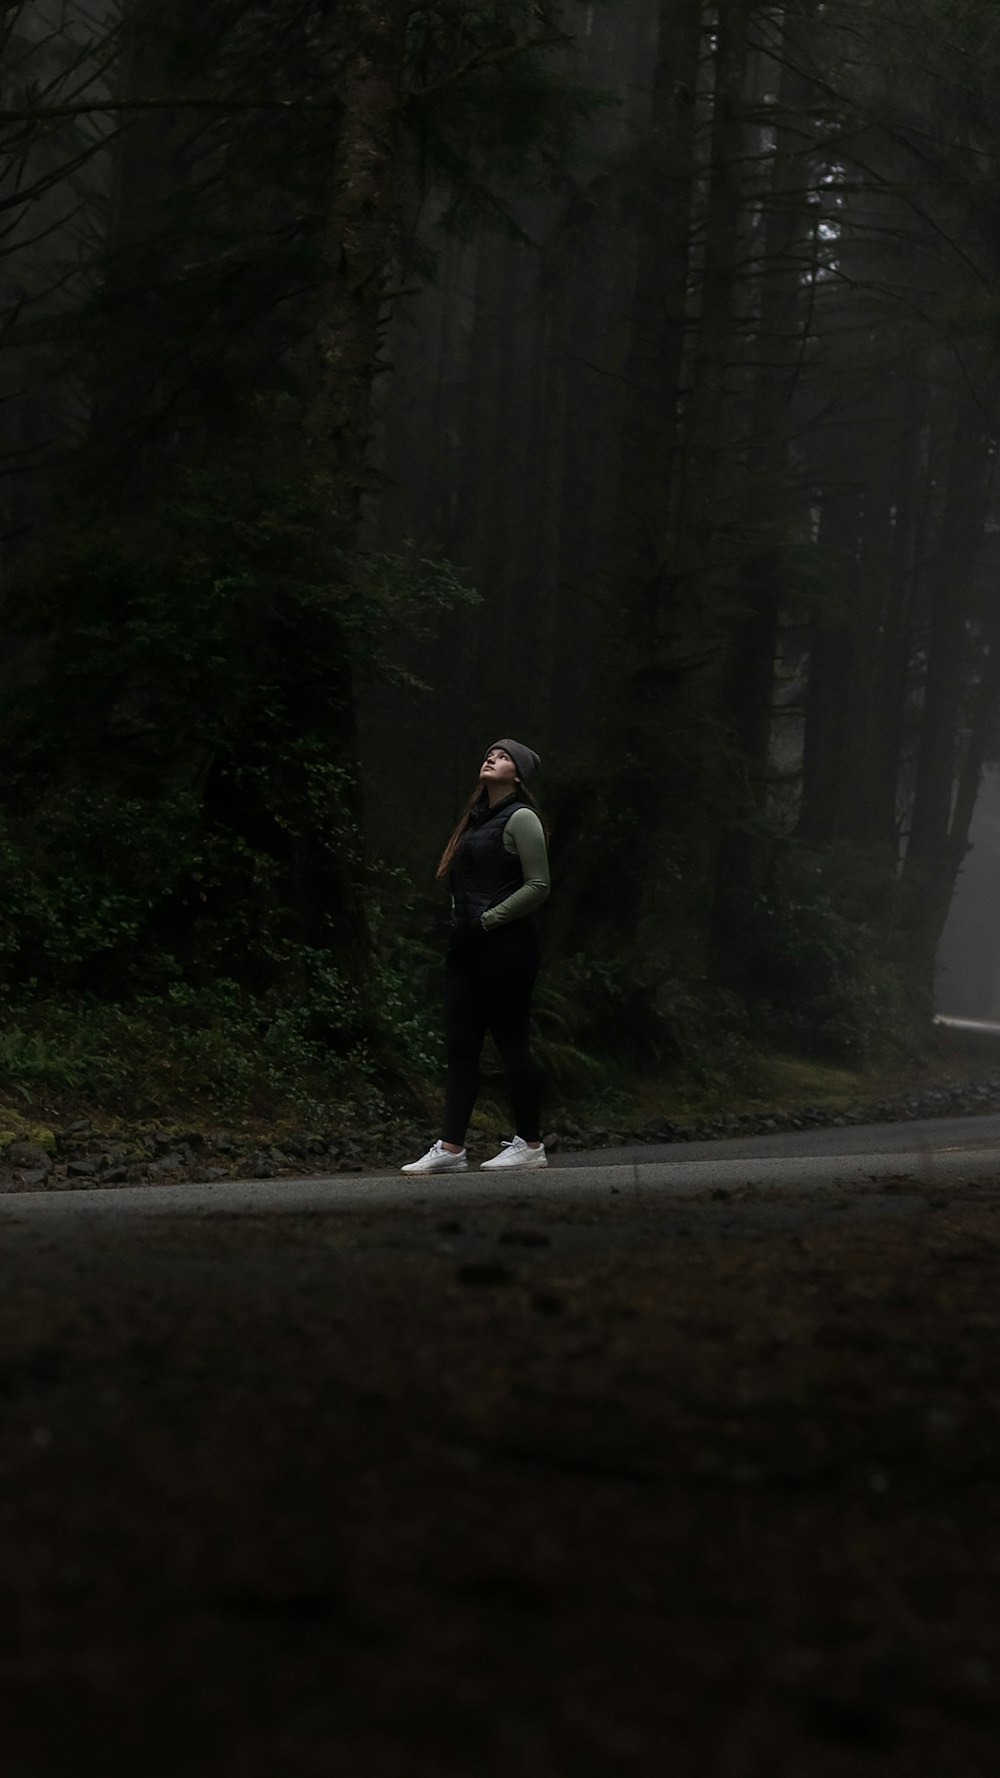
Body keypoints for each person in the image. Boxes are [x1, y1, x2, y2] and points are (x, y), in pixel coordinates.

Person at [402, 739, 550, 1174]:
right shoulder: (473, 821)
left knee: (511, 1043)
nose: (491, 758)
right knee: (461, 1046)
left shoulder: (522, 818)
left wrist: (488, 921)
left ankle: (531, 1145)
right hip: (466, 949)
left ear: (517, 774)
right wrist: (462, 928)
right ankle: (451, 1149)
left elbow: (538, 885)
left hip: (508, 948)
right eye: (489, 753)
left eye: (503, 757)